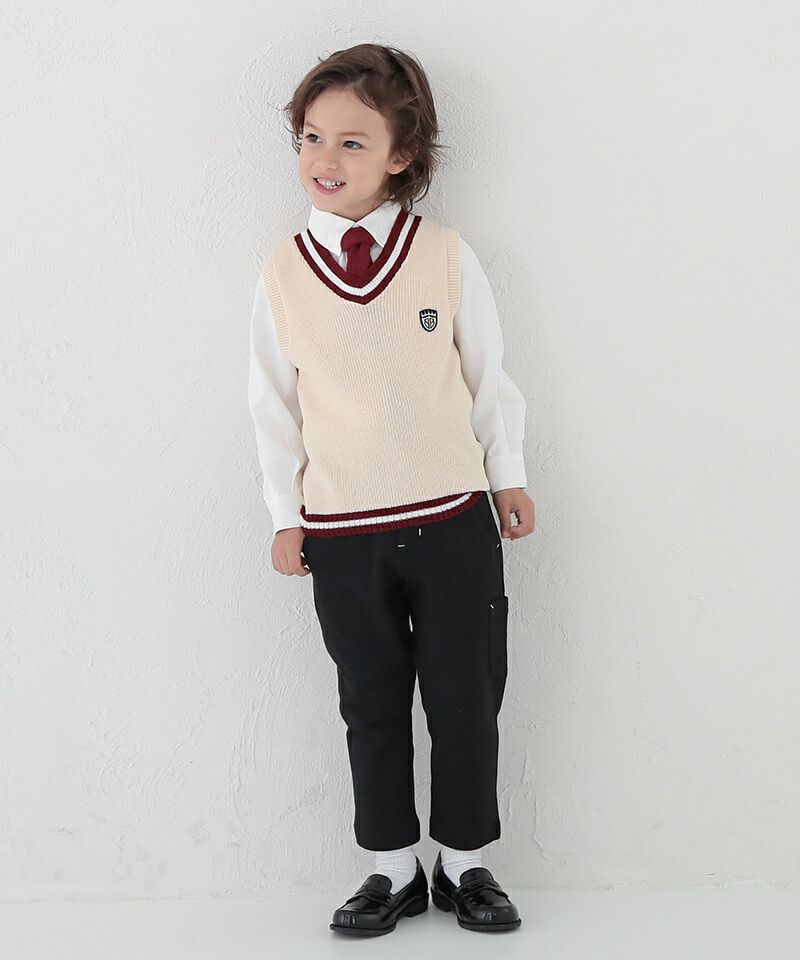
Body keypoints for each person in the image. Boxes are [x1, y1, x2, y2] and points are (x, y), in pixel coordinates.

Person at [247, 43, 535, 937]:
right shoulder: (284, 272)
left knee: (465, 697)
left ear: (402, 155)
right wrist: (285, 515)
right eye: (311, 137)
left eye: (352, 142)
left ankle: (465, 862)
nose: (324, 159)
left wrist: (508, 473)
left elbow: (487, 374)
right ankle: (391, 868)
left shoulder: (443, 256)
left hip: (452, 519)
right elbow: (272, 403)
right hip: (341, 533)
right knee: (369, 702)